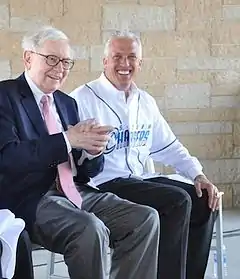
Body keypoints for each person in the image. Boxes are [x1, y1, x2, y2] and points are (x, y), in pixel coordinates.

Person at [0, 26, 160, 279]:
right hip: (29, 198)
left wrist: (92, 151)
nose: (60, 68)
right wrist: (67, 139)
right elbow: (9, 157)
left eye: (66, 62)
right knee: (89, 229)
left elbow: (85, 172)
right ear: (28, 58)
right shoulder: (5, 96)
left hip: (74, 191)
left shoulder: (67, 103)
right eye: (51, 59)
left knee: (145, 219)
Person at [70, 31, 221, 279]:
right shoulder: (82, 99)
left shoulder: (145, 101)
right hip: (102, 184)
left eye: (132, 57)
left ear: (140, 63)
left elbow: (170, 146)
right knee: (176, 200)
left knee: (202, 198)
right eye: (117, 56)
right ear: (105, 61)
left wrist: (198, 174)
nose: (124, 64)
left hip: (140, 180)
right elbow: (73, 163)